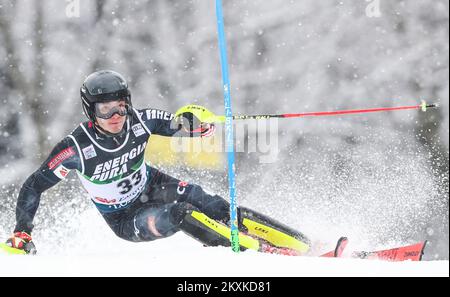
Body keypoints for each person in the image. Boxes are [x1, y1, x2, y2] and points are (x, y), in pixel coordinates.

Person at [5, 70, 311, 256]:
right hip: (125, 218)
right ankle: (256, 254)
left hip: (153, 185)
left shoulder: (141, 119)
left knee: (213, 204)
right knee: (181, 214)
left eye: (121, 108)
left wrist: (198, 124)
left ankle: (299, 242)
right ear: (90, 111)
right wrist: (23, 230)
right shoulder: (76, 148)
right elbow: (34, 185)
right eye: (106, 110)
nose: (116, 118)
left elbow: (180, 124)